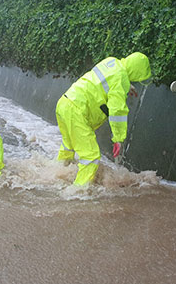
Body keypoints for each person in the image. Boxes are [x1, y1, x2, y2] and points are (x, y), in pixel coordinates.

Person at [56, 52, 151, 186]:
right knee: (91, 156)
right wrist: (118, 139)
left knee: (68, 146)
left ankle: (56, 177)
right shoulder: (121, 80)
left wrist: (126, 86)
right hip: (77, 111)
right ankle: (77, 192)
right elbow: (117, 111)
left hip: (65, 103)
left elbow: (103, 81)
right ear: (137, 72)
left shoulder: (111, 61)